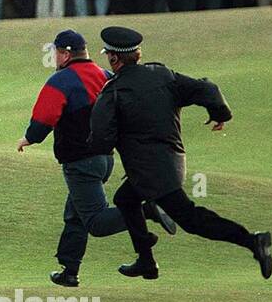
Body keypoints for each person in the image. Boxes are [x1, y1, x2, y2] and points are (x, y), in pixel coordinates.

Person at [88, 26, 272, 281]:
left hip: (151, 173)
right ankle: (146, 261)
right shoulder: (162, 75)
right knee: (125, 199)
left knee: (192, 219)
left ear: (113, 58)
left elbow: (100, 140)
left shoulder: (114, 92)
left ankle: (253, 242)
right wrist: (219, 115)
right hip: (172, 162)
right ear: (138, 55)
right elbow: (208, 89)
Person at [18, 29, 175, 287]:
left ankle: (147, 210)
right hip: (105, 160)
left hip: (81, 162)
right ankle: (69, 271)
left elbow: (44, 118)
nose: (55, 58)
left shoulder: (61, 81)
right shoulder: (106, 75)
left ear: (65, 54)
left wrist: (29, 138)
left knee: (96, 222)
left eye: (56, 52)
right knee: (76, 214)